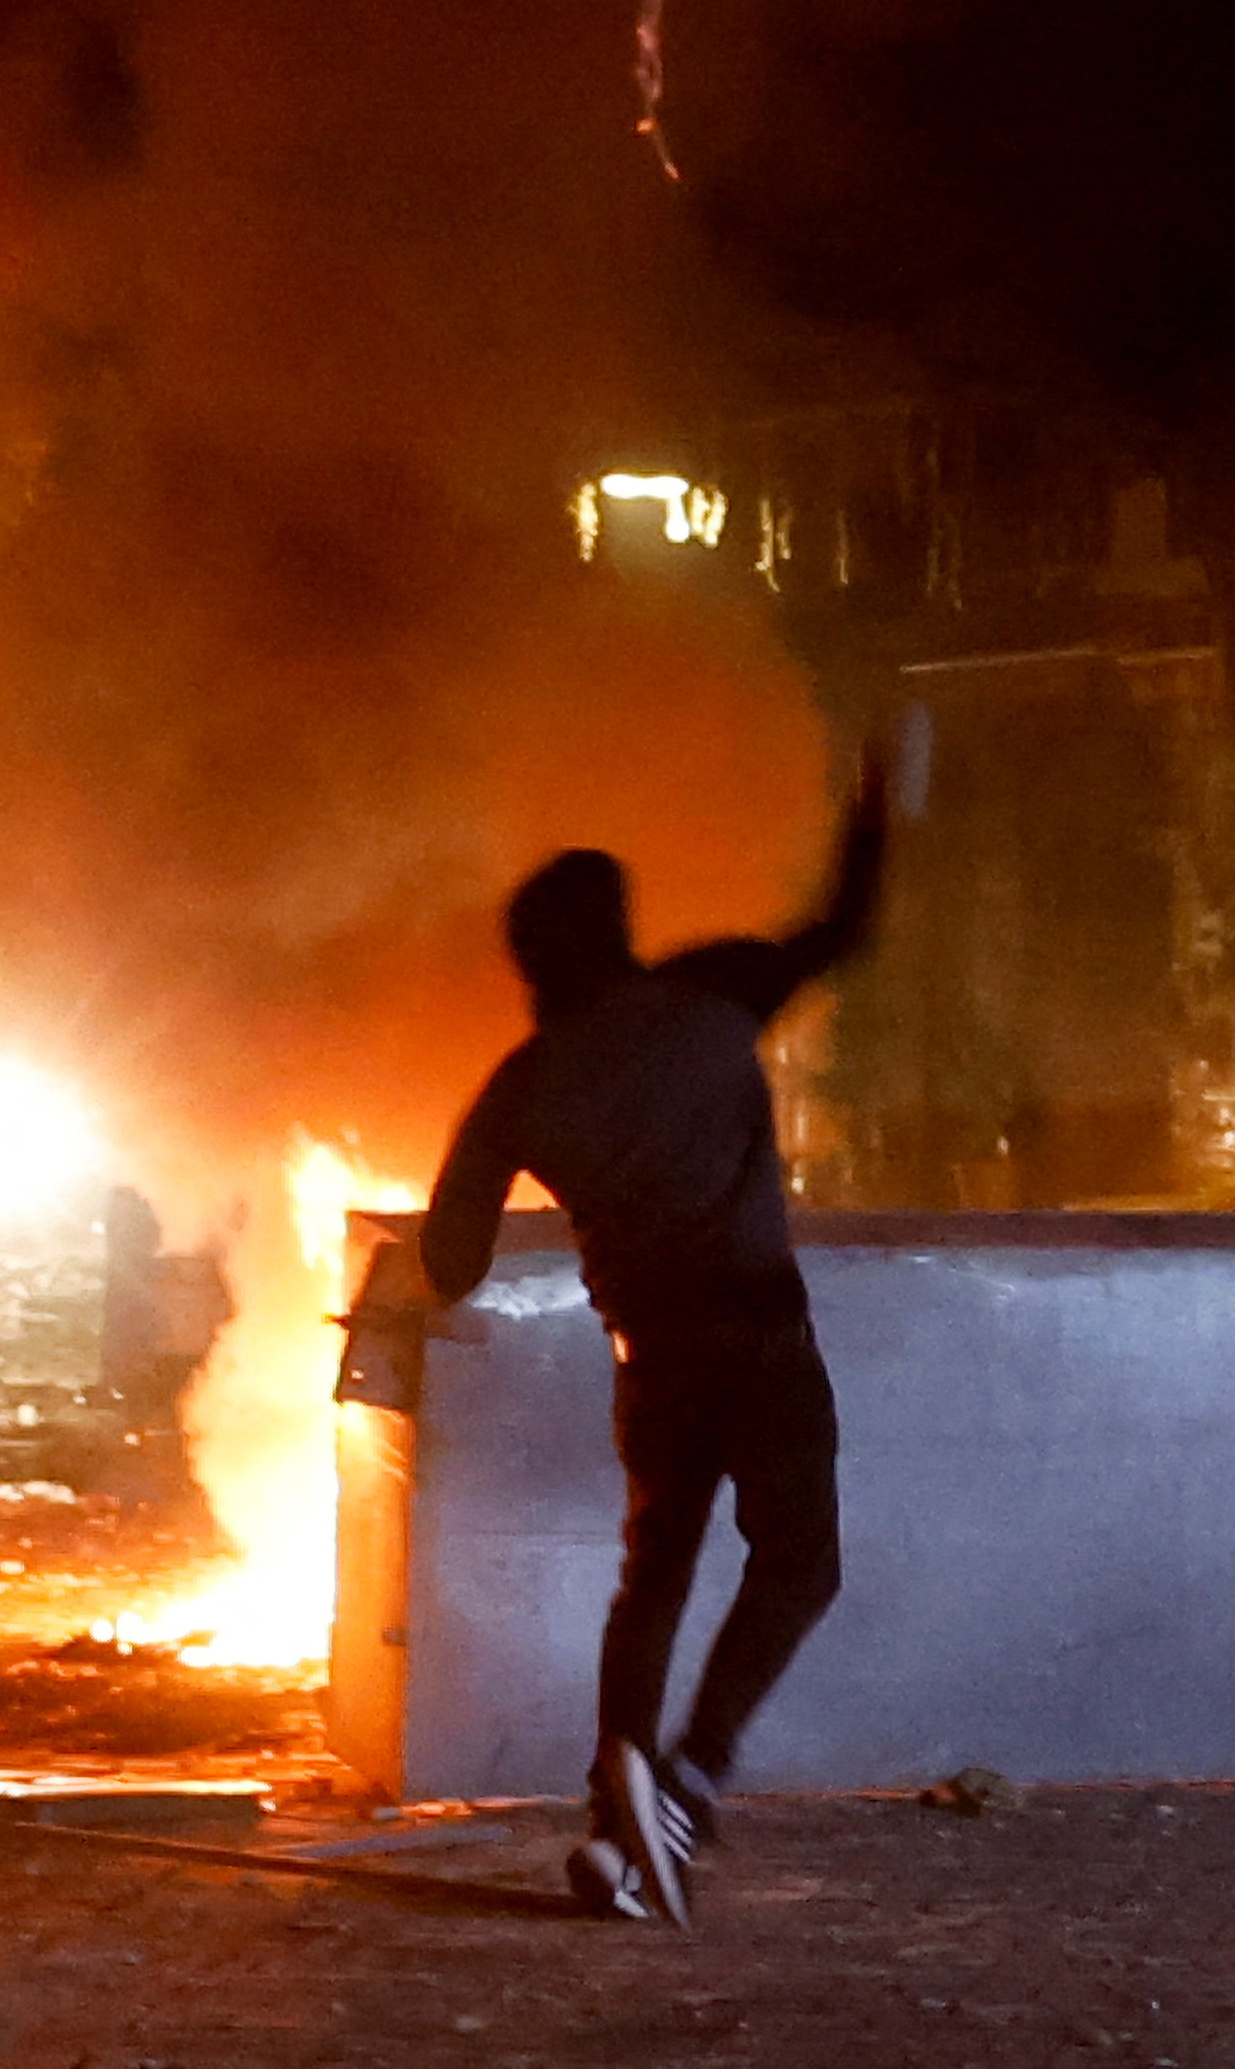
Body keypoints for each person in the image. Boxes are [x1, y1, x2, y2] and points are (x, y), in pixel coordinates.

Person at [418, 747, 889, 1927]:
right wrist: (882, 804)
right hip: (761, 1342)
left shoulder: (522, 1085)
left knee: (656, 1575)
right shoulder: (710, 994)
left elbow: (451, 1259)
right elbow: (843, 927)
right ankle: (683, 1781)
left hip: (653, 1361)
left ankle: (612, 1824)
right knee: (800, 1562)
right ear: (618, 930)